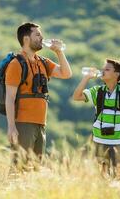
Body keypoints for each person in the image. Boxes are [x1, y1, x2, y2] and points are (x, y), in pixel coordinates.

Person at [5, 22, 72, 171]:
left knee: (35, 169)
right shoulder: (16, 64)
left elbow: (66, 73)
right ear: (26, 39)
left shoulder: (42, 62)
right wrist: (11, 127)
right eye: (38, 34)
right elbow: (9, 98)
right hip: (23, 123)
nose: (42, 37)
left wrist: (59, 52)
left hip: (41, 124)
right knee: (19, 168)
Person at [72, 59, 120, 179]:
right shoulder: (98, 91)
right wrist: (86, 78)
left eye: (107, 69)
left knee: (119, 175)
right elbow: (76, 96)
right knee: (102, 176)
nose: (103, 71)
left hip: (118, 141)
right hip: (99, 140)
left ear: (117, 74)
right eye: (103, 69)